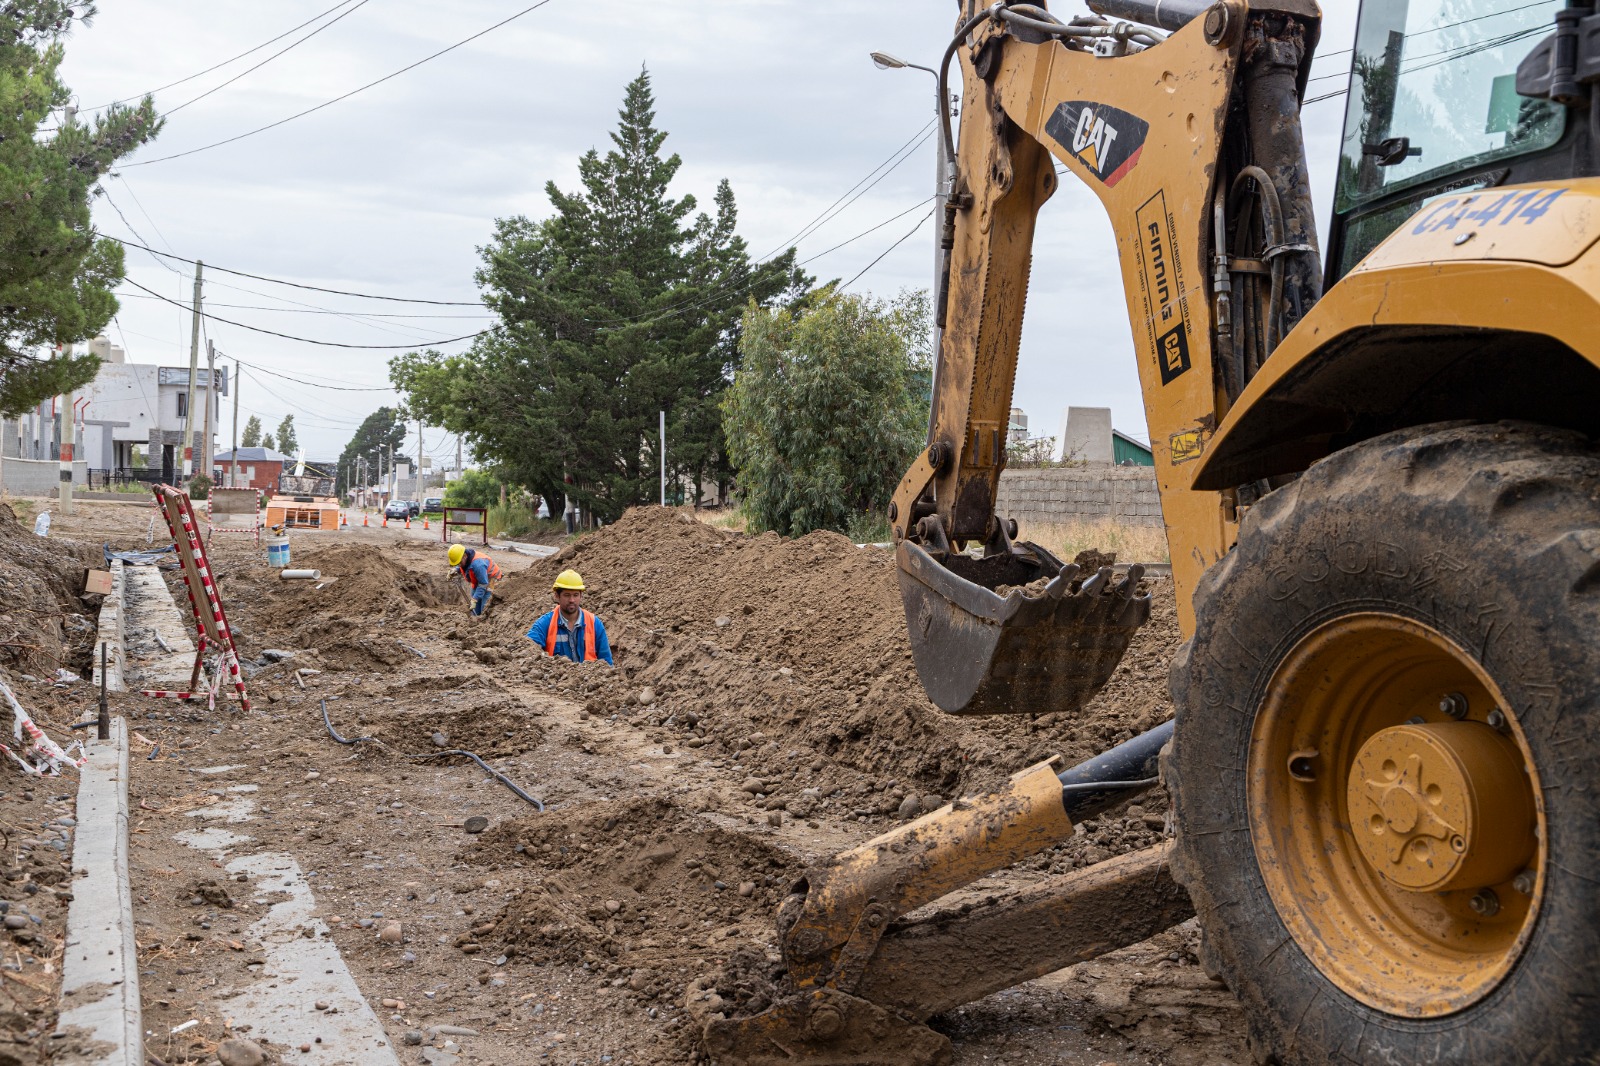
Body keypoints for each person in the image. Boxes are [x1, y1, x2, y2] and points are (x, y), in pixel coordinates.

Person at [526, 569, 613, 665]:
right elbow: (528, 649)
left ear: (581, 596)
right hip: (557, 678)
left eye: (575, 595)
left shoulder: (594, 624)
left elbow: (606, 662)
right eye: (567, 595)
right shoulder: (544, 624)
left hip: (590, 678)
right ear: (557, 596)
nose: (572, 600)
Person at [447, 543, 501, 621]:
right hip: (479, 578)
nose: (459, 565)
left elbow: (483, 583)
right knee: (475, 605)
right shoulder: (466, 559)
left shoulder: (478, 564)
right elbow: (464, 565)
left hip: (491, 579)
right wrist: (456, 569)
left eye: (459, 563)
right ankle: (475, 619)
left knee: (484, 605)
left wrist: (475, 599)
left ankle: (484, 622)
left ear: (465, 556)